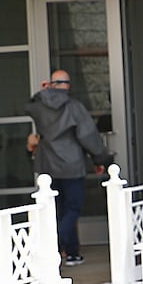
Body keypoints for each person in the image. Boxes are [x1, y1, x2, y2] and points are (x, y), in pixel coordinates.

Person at [26, 69, 108, 266]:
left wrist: (41, 93)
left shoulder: (40, 106)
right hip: (72, 164)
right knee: (72, 208)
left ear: (52, 84)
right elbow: (88, 136)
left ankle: (70, 252)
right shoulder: (74, 107)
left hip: (47, 165)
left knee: (58, 209)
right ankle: (57, 244)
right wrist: (100, 159)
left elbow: (28, 106)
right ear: (68, 86)